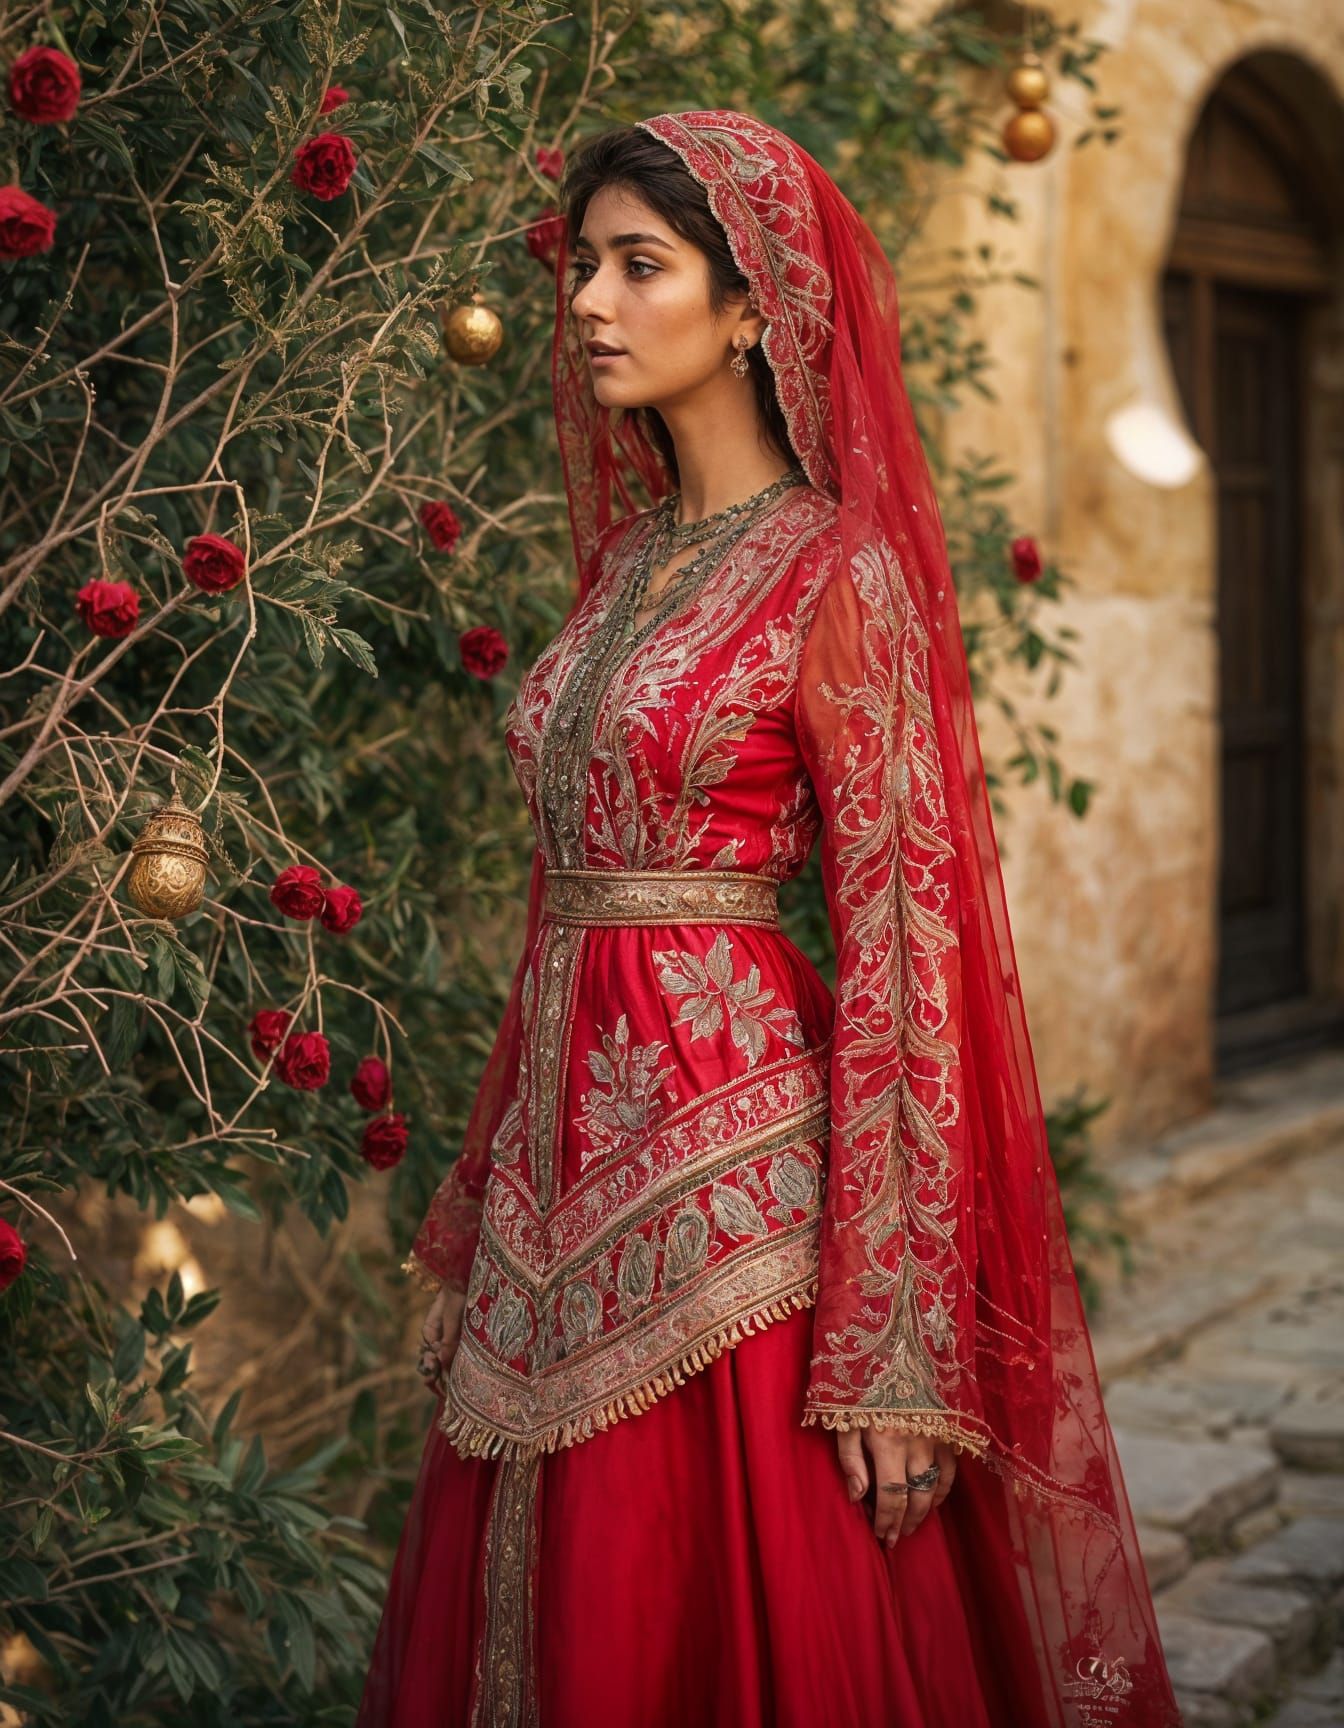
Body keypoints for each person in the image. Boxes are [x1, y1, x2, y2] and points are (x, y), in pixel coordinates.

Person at [357, 110, 1183, 1728]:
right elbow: (561, 910)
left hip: (743, 1207)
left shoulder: (838, 575)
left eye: (638, 265)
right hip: (559, 1189)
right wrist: (484, 1193)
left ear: (752, 309)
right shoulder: (630, 569)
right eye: (582, 265)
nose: (589, 299)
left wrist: (896, 1342)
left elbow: (907, 954)